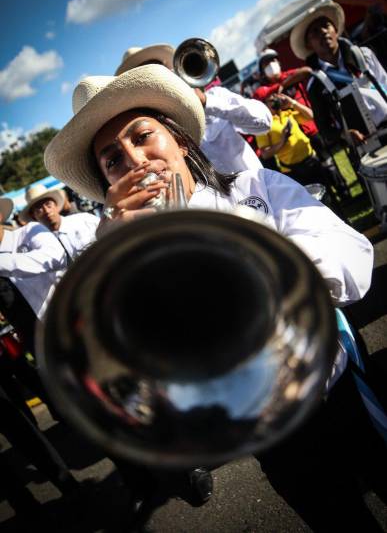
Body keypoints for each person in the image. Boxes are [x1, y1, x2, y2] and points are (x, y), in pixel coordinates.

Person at [43, 64, 386, 528]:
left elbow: (351, 260)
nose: (134, 159)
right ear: (108, 189)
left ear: (180, 140)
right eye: (113, 160)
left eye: (142, 136)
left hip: (344, 390)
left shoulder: (254, 187)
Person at [114, 44, 272, 174]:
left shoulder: (215, 95)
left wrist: (206, 102)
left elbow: (264, 123)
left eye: (157, 71)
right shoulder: (152, 132)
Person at [289, 0, 387, 151]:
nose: (323, 31)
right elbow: (325, 128)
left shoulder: (363, 55)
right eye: (315, 31)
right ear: (309, 44)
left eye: (326, 25)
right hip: (367, 146)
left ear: (335, 29)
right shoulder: (316, 85)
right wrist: (344, 135)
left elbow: (385, 83)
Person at [256, 92, 332, 189]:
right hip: (293, 170)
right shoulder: (263, 125)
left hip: (310, 159)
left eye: (275, 96)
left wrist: (293, 103)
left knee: (325, 189)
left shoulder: (287, 113)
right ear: (264, 105)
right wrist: (282, 140)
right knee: (310, 199)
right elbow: (265, 154)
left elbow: (311, 115)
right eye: (271, 100)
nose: (276, 100)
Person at [20, 184, 99, 264]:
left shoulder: (84, 220)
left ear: (56, 205)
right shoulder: (36, 244)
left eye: (48, 204)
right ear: (33, 216)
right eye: (39, 209)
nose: (47, 211)